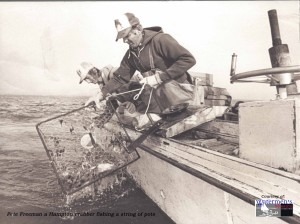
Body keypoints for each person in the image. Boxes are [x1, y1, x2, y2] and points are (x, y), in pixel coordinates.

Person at [97, 12, 197, 114]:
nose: (124, 41)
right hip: (164, 102)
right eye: (123, 38)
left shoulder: (161, 40)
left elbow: (188, 59)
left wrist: (158, 78)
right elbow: (119, 77)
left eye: (127, 36)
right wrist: (101, 94)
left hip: (181, 94)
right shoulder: (131, 54)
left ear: (138, 29)